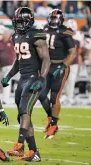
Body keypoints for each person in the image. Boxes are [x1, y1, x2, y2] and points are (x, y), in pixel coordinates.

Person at [1, 7, 50, 161]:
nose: (20, 25)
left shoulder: (37, 35)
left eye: (22, 22)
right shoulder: (16, 36)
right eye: (18, 22)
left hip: (34, 77)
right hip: (23, 78)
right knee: (22, 116)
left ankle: (20, 145)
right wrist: (9, 75)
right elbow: (18, 60)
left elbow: (46, 59)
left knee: (24, 110)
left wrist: (41, 79)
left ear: (29, 22)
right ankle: (33, 152)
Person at [38, 9, 76, 139]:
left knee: (54, 97)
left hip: (59, 66)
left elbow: (72, 53)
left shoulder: (65, 32)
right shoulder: (44, 28)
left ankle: (54, 124)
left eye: (55, 19)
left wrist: (63, 66)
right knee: (41, 94)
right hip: (46, 66)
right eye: (52, 18)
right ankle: (50, 116)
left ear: (60, 20)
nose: (53, 21)